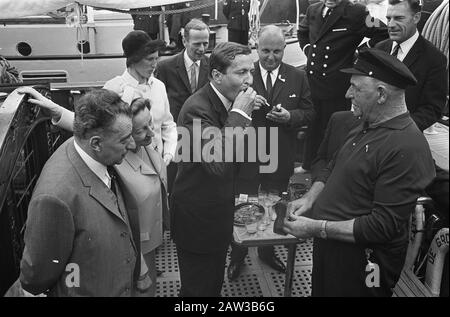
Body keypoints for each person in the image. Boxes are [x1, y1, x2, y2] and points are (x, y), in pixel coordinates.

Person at [283, 48, 436, 296]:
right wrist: (310, 198)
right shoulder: (366, 123)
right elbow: (334, 164)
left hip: (363, 264)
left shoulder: (407, 147)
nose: (347, 93)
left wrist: (314, 228)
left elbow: (381, 226)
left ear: (382, 94)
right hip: (330, 249)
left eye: (356, 87)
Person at [18, 88, 169, 297]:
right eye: (125, 139)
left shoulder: (94, 147)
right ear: (96, 143)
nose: (132, 144)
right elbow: (36, 275)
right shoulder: (54, 198)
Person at [171, 42, 266, 297]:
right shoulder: (196, 110)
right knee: (198, 291)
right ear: (217, 76)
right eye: (241, 73)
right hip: (198, 223)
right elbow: (218, 163)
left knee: (212, 285)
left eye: (251, 72)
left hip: (217, 214)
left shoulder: (227, 100)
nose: (249, 81)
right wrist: (239, 116)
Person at [228, 25, 315, 281]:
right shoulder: (244, 73)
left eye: (277, 51)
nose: (271, 57)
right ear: (256, 47)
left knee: (273, 205)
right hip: (247, 157)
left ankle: (267, 251)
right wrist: (242, 106)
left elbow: (310, 113)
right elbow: (225, 110)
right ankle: (237, 254)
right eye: (265, 50)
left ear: (284, 49)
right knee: (243, 205)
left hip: (280, 157)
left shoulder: (298, 76)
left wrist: (291, 117)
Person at [297, 0, 388, 170]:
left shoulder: (358, 12)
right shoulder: (313, 10)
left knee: (335, 127)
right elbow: (302, 32)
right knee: (313, 124)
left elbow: (383, 31)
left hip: (336, 83)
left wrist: (361, 52)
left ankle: (332, 169)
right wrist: (307, 50)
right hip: (313, 80)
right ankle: (308, 164)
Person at [104, 31, 177, 169]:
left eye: (157, 59)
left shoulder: (159, 86)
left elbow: (168, 124)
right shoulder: (114, 88)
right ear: (134, 59)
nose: (155, 64)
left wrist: (169, 153)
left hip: (159, 164)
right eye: (150, 59)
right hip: (126, 167)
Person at [156, 18, 211, 195]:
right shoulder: (165, 67)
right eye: (197, 44)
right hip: (176, 140)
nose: (202, 49)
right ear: (184, 41)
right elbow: (159, 104)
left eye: (205, 43)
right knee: (174, 187)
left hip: (204, 139)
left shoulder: (213, 66)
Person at [375, 0, 448, 131]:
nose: (390, 24)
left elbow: (432, 108)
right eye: (388, 18)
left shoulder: (434, 59)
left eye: (398, 18)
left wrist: (401, 130)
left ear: (416, 18)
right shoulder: (380, 49)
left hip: (404, 133)